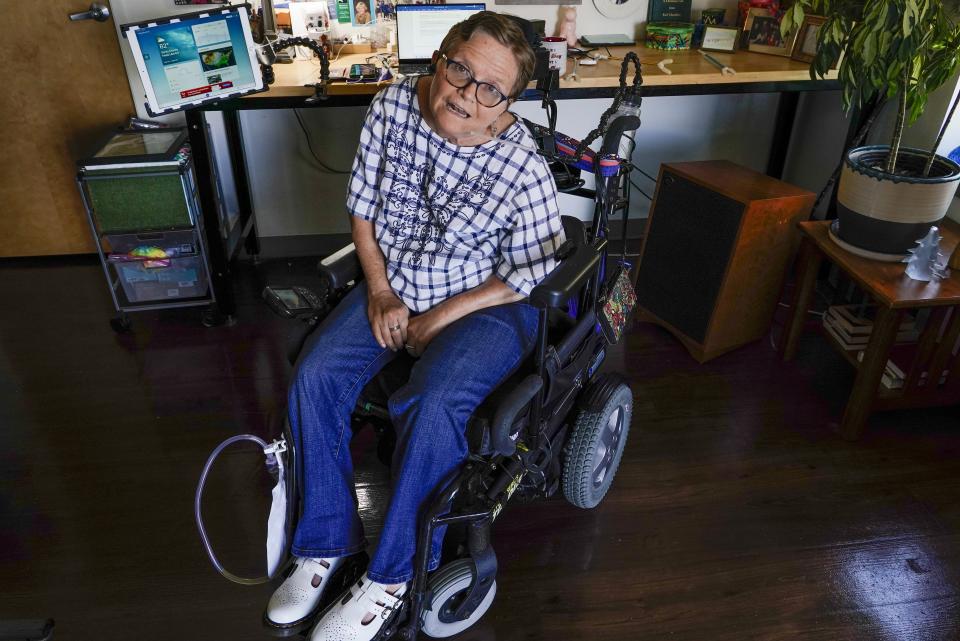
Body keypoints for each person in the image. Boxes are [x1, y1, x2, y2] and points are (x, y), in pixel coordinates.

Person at [264, 12, 565, 641]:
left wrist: (437, 318)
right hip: (394, 281)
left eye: (491, 88)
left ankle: (395, 575)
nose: (466, 94)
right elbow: (365, 212)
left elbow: (527, 275)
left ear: (508, 101)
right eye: (460, 69)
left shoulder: (521, 166)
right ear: (439, 58)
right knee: (315, 375)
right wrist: (378, 290)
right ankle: (323, 543)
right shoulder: (393, 103)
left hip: (487, 303)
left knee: (431, 403)